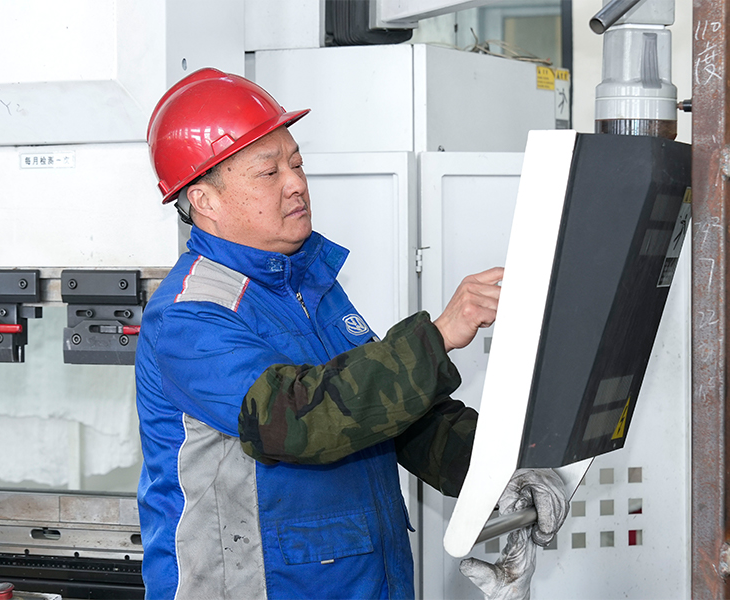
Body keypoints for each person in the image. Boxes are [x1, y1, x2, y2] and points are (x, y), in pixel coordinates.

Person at [135, 68, 566, 600]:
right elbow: (300, 419)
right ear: (204, 201)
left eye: (296, 163)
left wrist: (498, 473)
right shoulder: (189, 317)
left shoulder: (305, 283)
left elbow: (387, 413)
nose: (295, 183)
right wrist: (438, 335)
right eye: (268, 172)